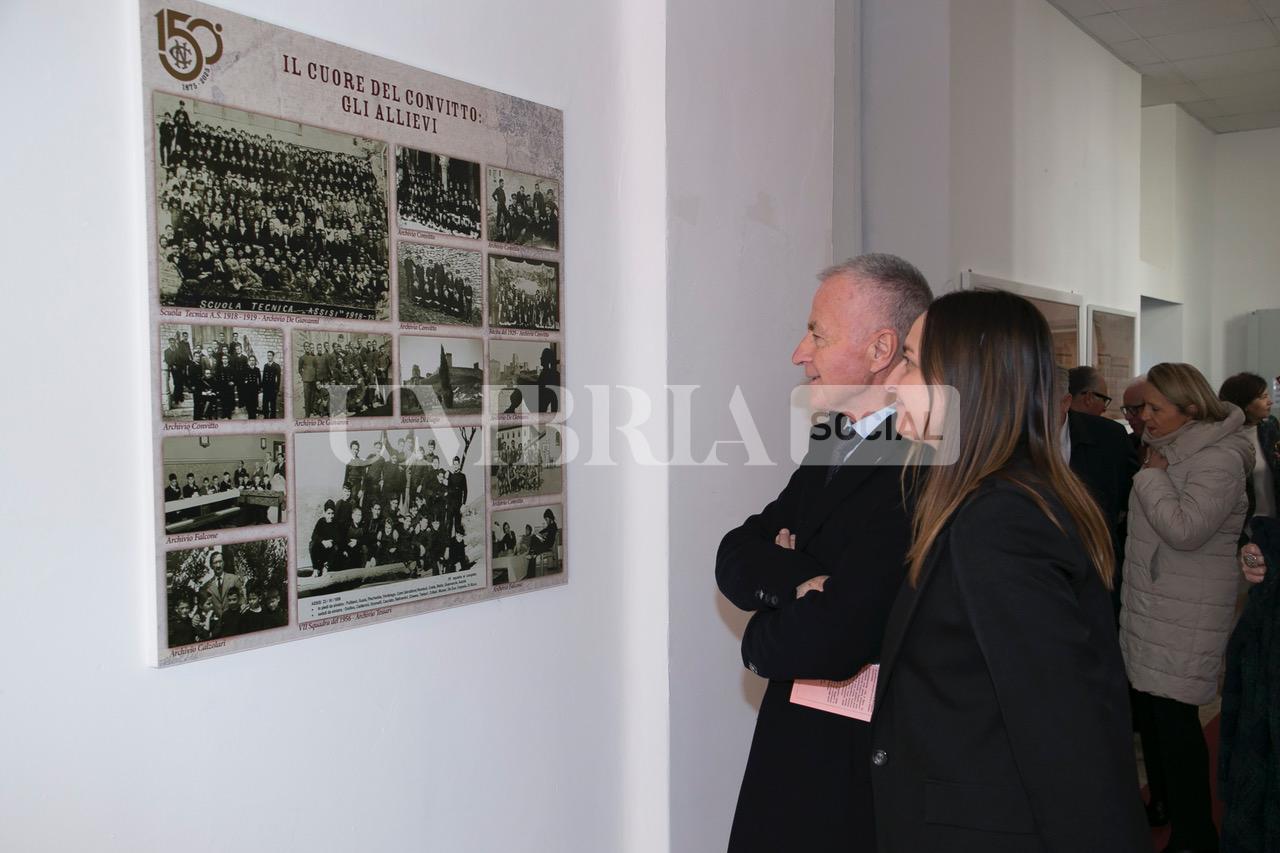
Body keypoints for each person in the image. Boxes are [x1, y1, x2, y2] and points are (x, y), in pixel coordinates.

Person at [871, 290, 1148, 853]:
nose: (892, 381)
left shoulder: (999, 520)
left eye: (911, 361)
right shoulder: (992, 501)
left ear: (967, 380)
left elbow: (1064, 731)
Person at [715, 254, 931, 852]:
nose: (799, 353)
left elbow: (836, 635)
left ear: (880, 348)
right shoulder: (835, 436)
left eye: (818, 334)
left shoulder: (923, 462)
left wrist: (775, 612)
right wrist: (801, 583)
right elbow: (735, 551)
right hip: (797, 741)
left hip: (858, 765)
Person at [1121, 362, 1253, 853]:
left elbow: (1185, 530)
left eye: (1156, 408)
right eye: (1143, 408)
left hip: (1186, 611)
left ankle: (1195, 834)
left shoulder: (1218, 458)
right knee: (1157, 720)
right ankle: (1168, 809)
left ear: (1191, 409)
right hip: (1156, 604)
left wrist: (1150, 478)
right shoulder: (1169, 448)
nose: (1145, 417)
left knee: (1176, 725)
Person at [1057, 367, 1140, 616]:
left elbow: (1131, 500)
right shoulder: (1010, 441)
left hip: (1097, 577)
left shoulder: (1109, 438)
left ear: (1065, 402)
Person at [1218, 372, 1279, 526]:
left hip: (1274, 522)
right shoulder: (1224, 437)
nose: (1270, 402)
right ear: (1245, 405)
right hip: (1245, 525)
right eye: (1263, 397)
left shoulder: (1270, 426)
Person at [1121, 376, 1148, 452]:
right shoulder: (1124, 445)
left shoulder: (1174, 450)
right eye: (1126, 409)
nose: (1127, 417)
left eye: (1134, 409)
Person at [261, 350, 281, 419]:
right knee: (265, 404)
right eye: (268, 355)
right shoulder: (265, 366)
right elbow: (264, 378)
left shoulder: (276, 366)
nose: (268, 357)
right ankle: (266, 417)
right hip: (266, 388)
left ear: (273, 357)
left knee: (273, 405)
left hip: (273, 388)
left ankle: (273, 418)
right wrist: (262, 387)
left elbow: (278, 379)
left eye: (270, 355)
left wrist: (277, 389)